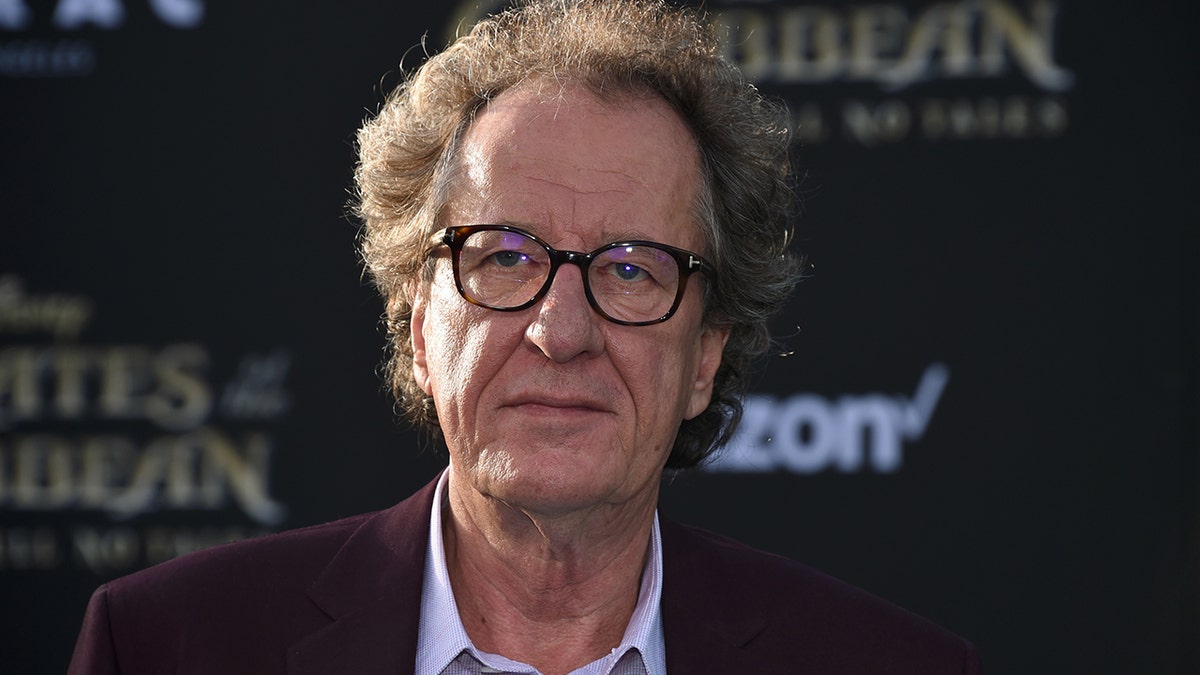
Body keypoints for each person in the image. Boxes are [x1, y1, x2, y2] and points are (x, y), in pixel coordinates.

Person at [69, 1, 982, 673]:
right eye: (504, 257)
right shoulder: (167, 647)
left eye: (632, 268)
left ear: (705, 355)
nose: (561, 328)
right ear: (421, 324)